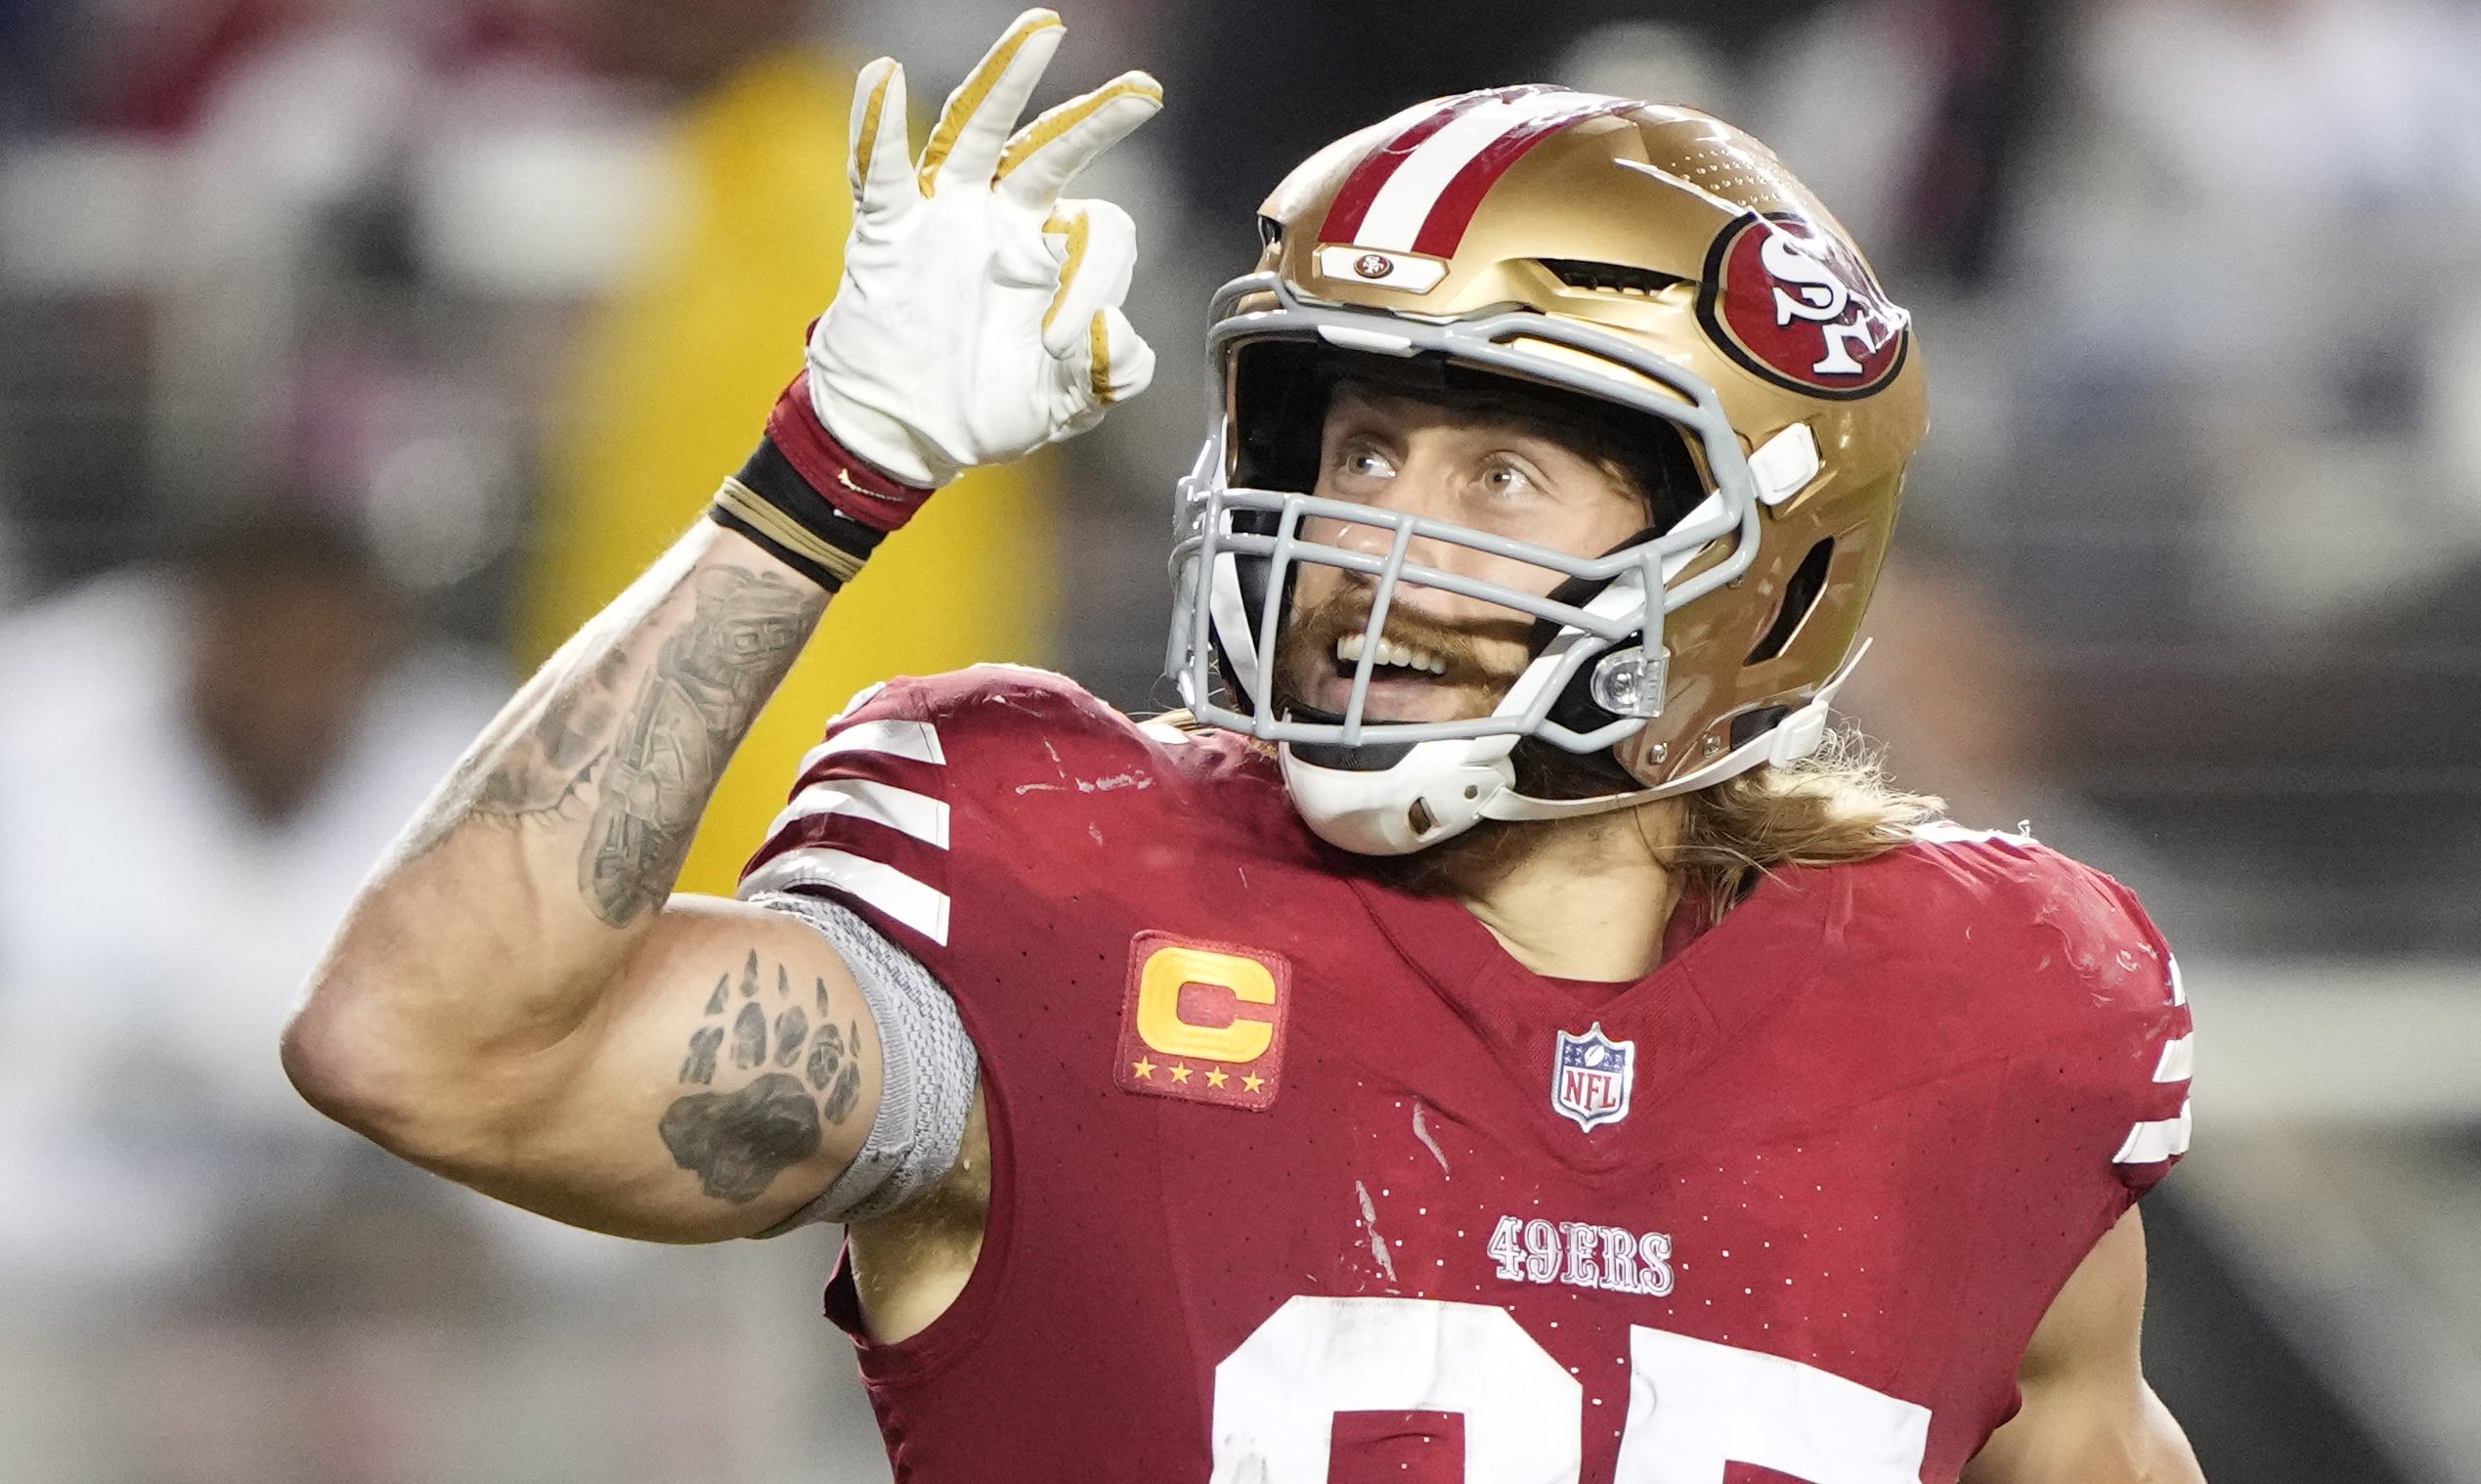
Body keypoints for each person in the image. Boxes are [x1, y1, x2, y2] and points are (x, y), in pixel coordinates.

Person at [286, 11, 2203, 1480]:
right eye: (1349, 447)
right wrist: (823, 475)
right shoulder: (1053, 895)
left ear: (1761, 575)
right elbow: (421, 1041)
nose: (1374, 535)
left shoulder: (1989, 1027)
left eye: (1500, 467)